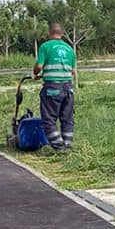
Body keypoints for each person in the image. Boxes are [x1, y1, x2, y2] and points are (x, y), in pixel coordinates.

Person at [32, 22, 77, 152]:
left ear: (49, 34)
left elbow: (39, 66)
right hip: (68, 88)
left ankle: (58, 146)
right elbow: (72, 71)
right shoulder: (70, 49)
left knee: (49, 119)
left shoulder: (45, 47)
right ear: (61, 34)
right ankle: (67, 144)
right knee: (67, 118)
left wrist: (36, 73)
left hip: (52, 88)